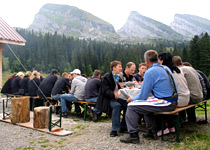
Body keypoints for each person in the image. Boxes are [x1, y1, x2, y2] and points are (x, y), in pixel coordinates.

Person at [120, 50, 178, 144]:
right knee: (146, 105)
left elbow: (143, 96)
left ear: (146, 61)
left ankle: (133, 135)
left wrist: (132, 99)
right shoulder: (165, 68)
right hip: (173, 100)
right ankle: (152, 132)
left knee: (131, 106)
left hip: (166, 102)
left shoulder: (150, 71)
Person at [157, 52, 190, 136]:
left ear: (162, 60)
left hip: (179, 99)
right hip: (186, 98)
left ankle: (162, 128)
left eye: (158, 59)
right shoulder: (178, 69)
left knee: (157, 102)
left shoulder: (165, 71)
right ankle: (171, 126)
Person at [96, 61, 128, 137]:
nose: (121, 68)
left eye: (121, 66)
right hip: (107, 99)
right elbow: (104, 90)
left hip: (116, 97)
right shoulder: (107, 77)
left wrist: (121, 87)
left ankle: (123, 126)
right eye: (119, 66)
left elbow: (117, 88)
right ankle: (115, 129)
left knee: (127, 105)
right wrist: (113, 93)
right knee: (117, 106)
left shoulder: (119, 76)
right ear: (114, 68)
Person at [173, 56, 203, 123]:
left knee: (181, 98)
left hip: (193, 97)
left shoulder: (180, 70)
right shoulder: (190, 68)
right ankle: (192, 119)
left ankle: (181, 120)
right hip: (200, 95)